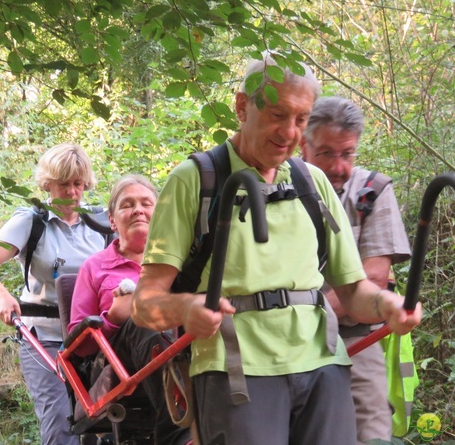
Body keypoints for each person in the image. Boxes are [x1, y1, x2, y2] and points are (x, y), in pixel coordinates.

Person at [131, 52, 422, 445]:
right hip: (236, 370)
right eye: (276, 114)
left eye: (301, 120)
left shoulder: (311, 182)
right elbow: (144, 302)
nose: (289, 132)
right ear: (241, 106)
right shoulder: (195, 181)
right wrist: (184, 308)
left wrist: (386, 306)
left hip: (324, 366)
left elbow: (353, 291)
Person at [0, 143, 107, 445]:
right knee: (60, 424)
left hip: (94, 338)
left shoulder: (102, 224)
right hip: (43, 336)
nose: (72, 191)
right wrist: (1, 296)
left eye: (78, 183)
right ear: (48, 184)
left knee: (100, 424)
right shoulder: (32, 221)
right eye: (64, 183)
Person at [301, 96, 413, 444]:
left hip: (355, 339)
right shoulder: (277, 184)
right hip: (278, 345)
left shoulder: (372, 191)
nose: (338, 166)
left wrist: (298, 316)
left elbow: (374, 278)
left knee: (370, 432)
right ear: (303, 145)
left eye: (347, 153)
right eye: (326, 153)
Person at [69, 174, 192, 445]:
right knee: (142, 315)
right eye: (127, 205)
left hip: (181, 350)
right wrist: (113, 318)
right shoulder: (95, 267)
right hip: (115, 363)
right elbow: (78, 348)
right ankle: (183, 435)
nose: (138, 209)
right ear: (112, 220)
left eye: (147, 203)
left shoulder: (182, 260)